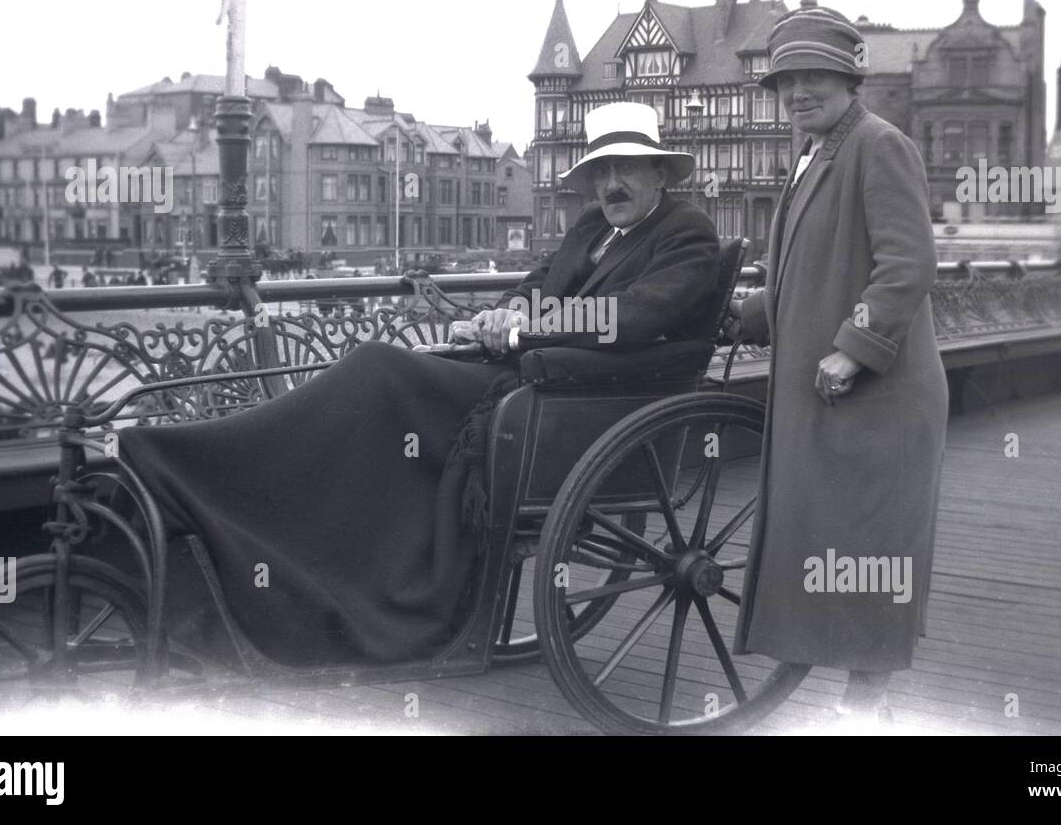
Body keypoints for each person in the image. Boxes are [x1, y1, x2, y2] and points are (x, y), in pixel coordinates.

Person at [116, 102, 720, 668]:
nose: (612, 183)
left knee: (377, 372)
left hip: (576, 393)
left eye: (627, 168)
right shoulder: (594, 226)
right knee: (374, 386)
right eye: (602, 170)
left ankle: (202, 466)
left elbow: (633, 315)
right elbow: (539, 283)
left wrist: (527, 329)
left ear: (659, 173)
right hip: (529, 378)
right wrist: (501, 312)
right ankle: (235, 491)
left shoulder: (684, 231)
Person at [728, 2, 948, 726]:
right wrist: (738, 314)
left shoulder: (877, 144)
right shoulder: (816, 154)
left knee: (870, 545)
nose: (799, 94)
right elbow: (805, 271)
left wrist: (853, 351)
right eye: (788, 82)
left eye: (815, 77)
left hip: (878, 394)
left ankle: (867, 704)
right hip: (827, 397)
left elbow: (908, 265)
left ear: (851, 80)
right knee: (835, 543)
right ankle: (859, 700)